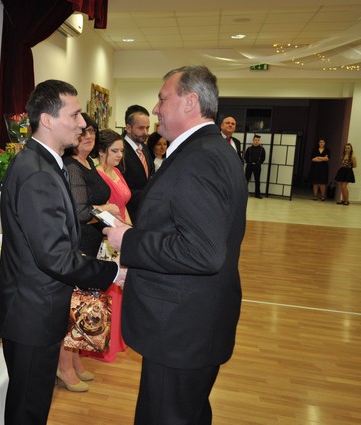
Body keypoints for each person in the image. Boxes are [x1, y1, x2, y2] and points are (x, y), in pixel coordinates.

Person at [104, 65, 248, 425]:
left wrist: (129, 240)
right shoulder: (210, 150)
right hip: (191, 324)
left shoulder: (199, 158)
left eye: (162, 99)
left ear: (190, 102)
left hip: (180, 330)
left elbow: (202, 252)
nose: (155, 109)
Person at [0, 79, 122, 425]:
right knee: (28, 410)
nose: (82, 124)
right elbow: (55, 257)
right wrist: (113, 272)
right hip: (32, 314)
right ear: (47, 120)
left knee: (31, 405)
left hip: (35, 308)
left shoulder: (46, 163)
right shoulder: (38, 172)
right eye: (74, 115)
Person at [58, 112, 118, 392]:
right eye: (83, 132)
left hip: (93, 241)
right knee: (74, 309)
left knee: (84, 308)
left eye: (92, 131)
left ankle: (75, 361)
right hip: (80, 242)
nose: (88, 136)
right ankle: (64, 367)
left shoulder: (88, 163)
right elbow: (81, 212)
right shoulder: (71, 166)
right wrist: (107, 210)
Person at [80, 128, 131, 364]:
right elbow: (98, 210)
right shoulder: (98, 175)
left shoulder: (117, 172)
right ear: (102, 152)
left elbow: (123, 205)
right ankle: (97, 345)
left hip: (123, 232)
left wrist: (131, 230)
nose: (120, 155)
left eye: (121, 151)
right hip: (107, 237)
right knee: (105, 291)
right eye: (115, 151)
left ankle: (115, 340)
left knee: (118, 290)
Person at [118, 105, 154, 220]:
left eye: (147, 128)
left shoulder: (144, 148)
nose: (146, 132)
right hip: (128, 214)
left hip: (145, 212)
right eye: (141, 128)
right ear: (128, 128)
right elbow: (119, 187)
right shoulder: (119, 150)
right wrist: (150, 195)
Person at [244, 134, 266, 199]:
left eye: (258, 140)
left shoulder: (262, 149)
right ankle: (244, 193)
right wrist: (249, 162)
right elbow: (246, 157)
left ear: (260, 141)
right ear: (253, 140)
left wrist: (259, 163)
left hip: (257, 166)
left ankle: (257, 194)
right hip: (249, 166)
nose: (256, 141)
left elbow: (263, 158)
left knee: (257, 180)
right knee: (246, 179)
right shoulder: (249, 149)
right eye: (255, 140)